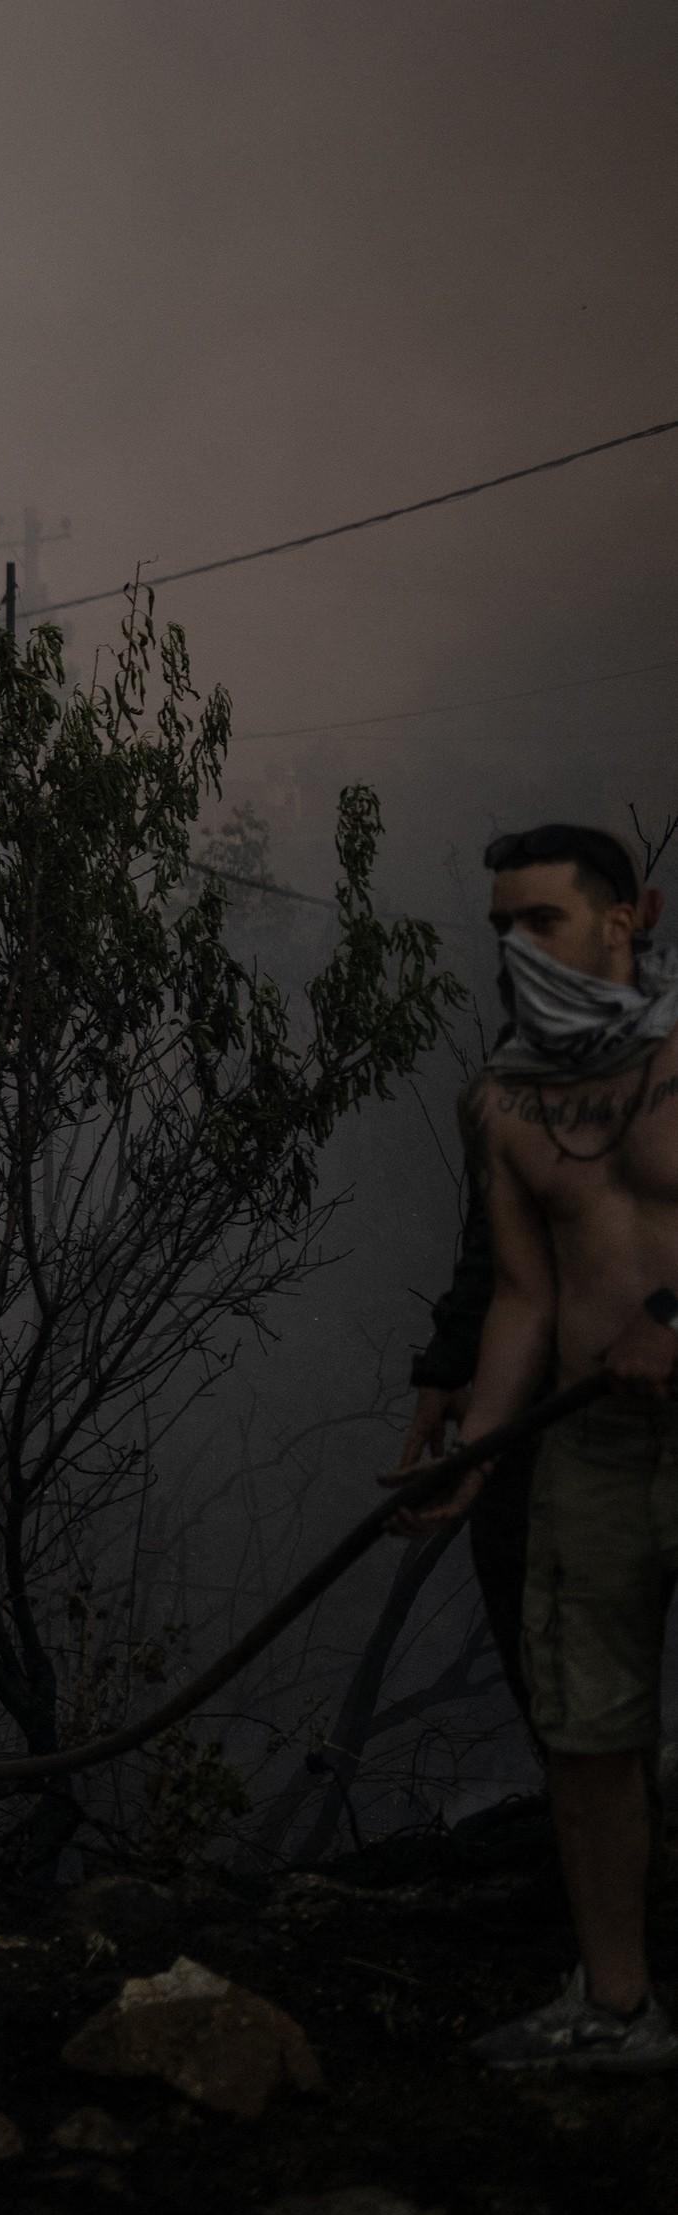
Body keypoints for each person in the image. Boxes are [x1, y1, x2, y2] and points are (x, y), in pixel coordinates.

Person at [405, 822, 678, 2072]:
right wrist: (479, 1444)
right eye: (503, 926)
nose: (519, 946)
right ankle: (615, 2006)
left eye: (545, 920)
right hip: (593, 1454)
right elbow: (521, 1292)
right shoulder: (506, 1103)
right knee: (586, 1729)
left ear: (631, 919)